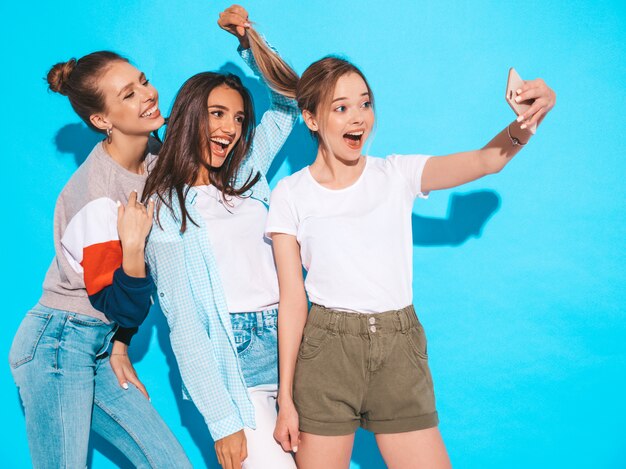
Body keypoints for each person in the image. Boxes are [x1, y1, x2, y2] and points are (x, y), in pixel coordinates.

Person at [266, 56, 556, 468]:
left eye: (365, 104)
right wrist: (286, 399)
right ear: (311, 119)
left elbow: (486, 160)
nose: (359, 118)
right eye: (341, 107)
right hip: (326, 352)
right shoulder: (290, 195)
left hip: (398, 347)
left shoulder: (396, 174)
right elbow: (292, 301)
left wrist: (525, 123)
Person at [142, 6, 298, 469]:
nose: (229, 128)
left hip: (296, 343)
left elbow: (290, 102)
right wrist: (221, 421)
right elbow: (184, 323)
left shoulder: (248, 175)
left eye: (237, 117)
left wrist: (250, 43)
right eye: (216, 114)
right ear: (190, 115)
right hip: (235, 359)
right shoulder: (167, 208)